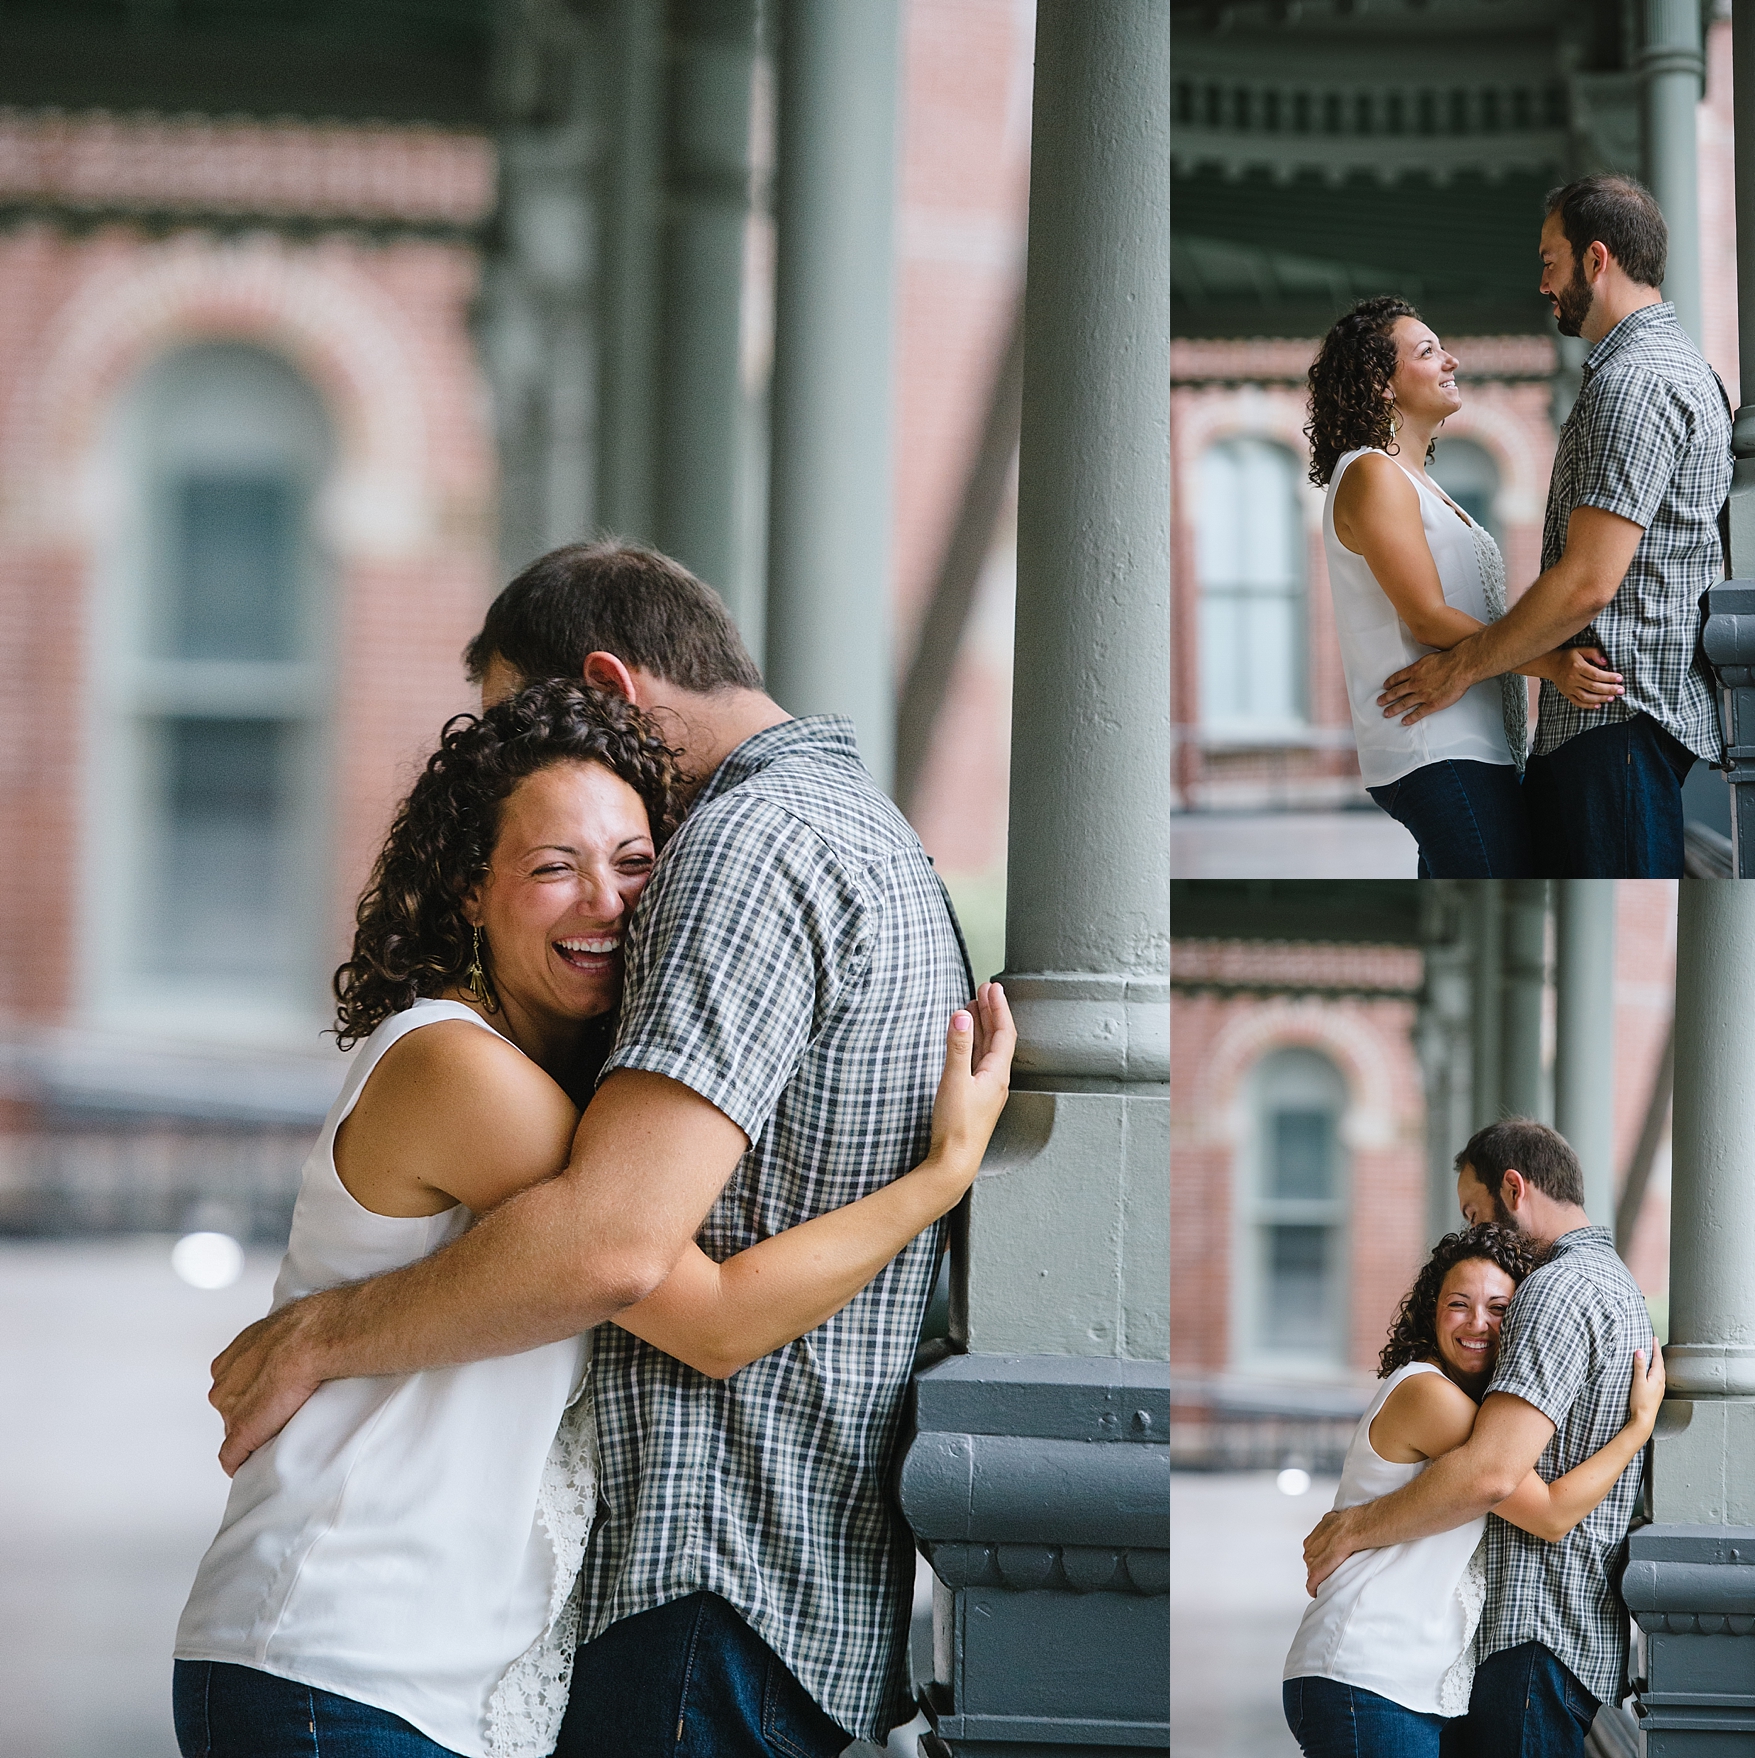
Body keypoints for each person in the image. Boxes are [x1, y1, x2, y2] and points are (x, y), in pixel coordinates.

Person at [205, 541, 980, 1754]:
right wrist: (935, 1182)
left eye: (629, 864)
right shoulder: (469, 1068)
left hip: (697, 1578)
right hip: (356, 1652)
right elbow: (637, 1258)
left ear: (611, 697)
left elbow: (616, 1246)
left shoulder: (744, 848)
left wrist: (323, 1333)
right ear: (471, 884)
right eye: (550, 862)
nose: (613, 903)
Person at [1376, 175, 1733, 878]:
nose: (1541, 284)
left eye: (1549, 261)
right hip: (1616, 724)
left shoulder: (1632, 381)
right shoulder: (1666, 366)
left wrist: (1458, 669)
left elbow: (1585, 584)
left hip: (1616, 726)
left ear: (1595, 260)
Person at [1303, 1120, 1658, 1757]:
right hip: (1537, 1637)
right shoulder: (1616, 1287)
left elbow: (1492, 1475)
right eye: (1458, 1304)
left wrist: (1355, 1526)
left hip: (1533, 1629)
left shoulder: (1556, 1290)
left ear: (1514, 1189)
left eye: (1475, 1212)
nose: (1475, 1233)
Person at [1305, 295, 1624, 876]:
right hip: (1434, 749)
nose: (1451, 360)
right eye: (1428, 351)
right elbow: (1426, 616)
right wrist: (1551, 663)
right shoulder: (1372, 472)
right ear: (1382, 384)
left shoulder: (1419, 482)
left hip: (1474, 745)